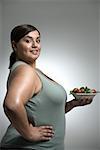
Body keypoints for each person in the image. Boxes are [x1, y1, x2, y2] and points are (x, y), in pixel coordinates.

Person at [0, 24, 93, 150]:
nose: (35, 45)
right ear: (14, 45)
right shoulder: (25, 71)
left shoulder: (34, 71)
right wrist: (29, 133)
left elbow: (43, 111)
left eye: (37, 40)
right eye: (28, 40)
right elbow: (12, 105)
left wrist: (71, 104)